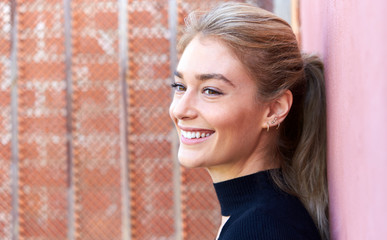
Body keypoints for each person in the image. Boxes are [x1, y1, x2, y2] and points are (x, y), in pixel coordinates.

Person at [169, 2, 329, 240]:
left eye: (211, 91)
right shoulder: (258, 218)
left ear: (274, 109)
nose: (180, 109)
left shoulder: (261, 229)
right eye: (180, 86)